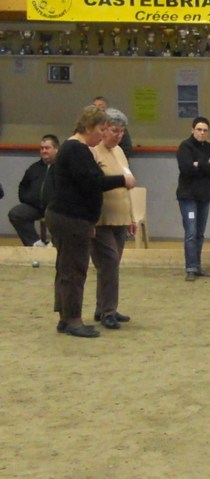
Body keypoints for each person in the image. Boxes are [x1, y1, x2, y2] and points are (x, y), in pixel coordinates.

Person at [45, 104, 135, 338]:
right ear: (88, 127)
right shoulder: (77, 149)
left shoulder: (74, 148)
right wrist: (122, 180)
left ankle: (66, 318)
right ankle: (73, 320)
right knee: (74, 271)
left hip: (71, 218)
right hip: (71, 219)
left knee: (67, 269)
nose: (102, 134)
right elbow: (93, 182)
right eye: (101, 129)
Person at [90, 108, 135, 329]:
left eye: (122, 132)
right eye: (115, 130)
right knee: (109, 264)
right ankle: (108, 311)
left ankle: (103, 308)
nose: (118, 136)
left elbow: (127, 186)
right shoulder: (93, 152)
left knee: (111, 266)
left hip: (121, 218)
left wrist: (132, 217)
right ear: (103, 129)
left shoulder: (119, 152)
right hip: (101, 220)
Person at [175, 116, 210, 281]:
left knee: (200, 233)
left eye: (205, 130)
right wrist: (205, 163)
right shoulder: (185, 146)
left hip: (204, 196)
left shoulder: (209, 147)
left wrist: (198, 164)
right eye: (199, 129)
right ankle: (190, 268)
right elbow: (186, 168)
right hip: (188, 197)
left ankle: (197, 266)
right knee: (191, 232)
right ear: (192, 130)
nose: (202, 133)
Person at [8, 134, 59, 248]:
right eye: (42, 148)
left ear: (56, 149)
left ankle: (54, 244)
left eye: (47, 148)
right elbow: (23, 186)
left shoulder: (63, 168)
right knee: (16, 213)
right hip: (35, 207)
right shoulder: (34, 168)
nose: (44, 151)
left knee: (65, 218)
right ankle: (35, 244)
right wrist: (27, 199)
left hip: (56, 208)